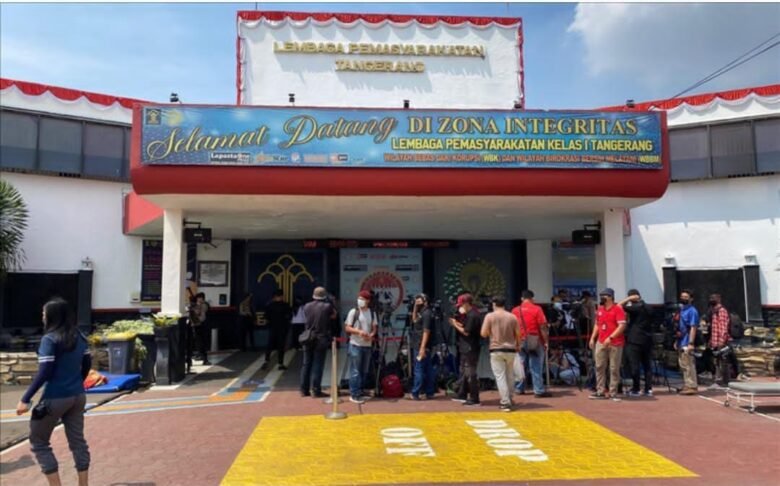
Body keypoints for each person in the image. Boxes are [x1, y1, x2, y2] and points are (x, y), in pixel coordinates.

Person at [16, 298, 91, 486]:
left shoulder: (49, 339)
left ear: (52, 316)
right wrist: (75, 382)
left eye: (44, 313)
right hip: (78, 396)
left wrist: (25, 398)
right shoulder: (80, 337)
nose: (42, 316)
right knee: (78, 442)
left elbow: (45, 372)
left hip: (54, 397)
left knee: (39, 442)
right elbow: (87, 365)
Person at [481, 296, 521, 412]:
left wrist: (491, 332)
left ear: (494, 304)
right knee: (510, 375)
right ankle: (510, 397)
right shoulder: (512, 316)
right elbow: (518, 334)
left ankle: (505, 401)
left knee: (500, 376)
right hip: (511, 349)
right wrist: (518, 345)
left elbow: (483, 333)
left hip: (496, 349)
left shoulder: (490, 316)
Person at [589, 288, 627, 401]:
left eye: (604, 295)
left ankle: (613, 392)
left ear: (610, 297)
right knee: (599, 366)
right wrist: (592, 338)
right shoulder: (600, 309)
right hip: (601, 341)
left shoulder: (618, 309)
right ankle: (600, 391)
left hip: (615, 343)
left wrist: (611, 337)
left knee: (614, 368)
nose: (602, 298)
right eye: (601, 295)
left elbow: (622, 326)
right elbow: (597, 324)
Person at [511, 290, 551, 398]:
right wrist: (546, 341)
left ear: (522, 298)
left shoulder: (515, 310)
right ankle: (538, 390)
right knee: (536, 365)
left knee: (521, 365)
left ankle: (519, 388)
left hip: (520, 340)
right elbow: (543, 327)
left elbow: (512, 327)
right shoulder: (537, 309)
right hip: (534, 340)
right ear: (532, 299)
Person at [300, 287, 337, 397]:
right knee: (318, 364)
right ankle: (316, 390)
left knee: (306, 364)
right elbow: (334, 315)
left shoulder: (307, 306)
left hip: (308, 337)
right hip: (321, 338)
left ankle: (304, 390)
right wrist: (332, 302)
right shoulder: (327, 306)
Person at [344, 290, 378, 404]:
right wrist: (359, 332)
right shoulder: (353, 312)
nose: (360, 300)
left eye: (362, 299)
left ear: (368, 301)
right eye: (359, 298)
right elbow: (347, 327)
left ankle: (360, 391)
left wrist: (371, 335)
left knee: (364, 370)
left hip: (367, 345)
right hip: (355, 344)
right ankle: (354, 394)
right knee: (355, 370)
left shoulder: (372, 313)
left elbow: (374, 328)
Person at [619, 289, 654, 397]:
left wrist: (628, 299)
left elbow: (618, 306)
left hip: (634, 339)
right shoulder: (649, 307)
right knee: (647, 365)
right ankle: (648, 388)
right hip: (647, 339)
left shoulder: (635, 307)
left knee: (634, 365)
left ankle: (636, 388)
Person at [449, 294, 482, 406]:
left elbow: (466, 332)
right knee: (464, 371)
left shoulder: (473, 315)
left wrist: (454, 324)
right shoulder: (469, 315)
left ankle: (474, 397)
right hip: (465, 346)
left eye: (462, 304)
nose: (460, 307)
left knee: (470, 373)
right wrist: (455, 322)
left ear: (467, 303)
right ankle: (462, 393)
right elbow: (465, 326)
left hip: (470, 347)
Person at [409, 293, 437, 401]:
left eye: (419, 300)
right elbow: (414, 320)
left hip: (421, 345)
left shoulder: (427, 314)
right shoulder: (422, 312)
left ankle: (415, 392)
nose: (417, 301)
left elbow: (426, 331)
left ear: (425, 301)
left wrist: (422, 347)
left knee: (419, 369)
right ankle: (429, 392)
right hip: (420, 344)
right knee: (427, 368)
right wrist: (415, 307)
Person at [676, 289, 700, 394]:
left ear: (691, 299)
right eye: (682, 297)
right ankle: (687, 384)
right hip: (680, 340)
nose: (683, 299)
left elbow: (693, 327)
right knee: (683, 364)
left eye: (686, 297)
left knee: (689, 364)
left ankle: (692, 385)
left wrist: (691, 343)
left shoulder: (692, 311)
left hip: (687, 341)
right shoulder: (681, 310)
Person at [707, 293, 733, 387]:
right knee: (717, 361)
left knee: (723, 362)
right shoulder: (714, 311)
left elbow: (723, 327)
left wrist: (721, 341)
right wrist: (711, 340)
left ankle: (725, 381)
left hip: (722, 341)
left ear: (719, 299)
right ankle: (719, 380)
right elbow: (714, 327)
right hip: (715, 340)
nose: (711, 300)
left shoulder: (721, 311)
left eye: (713, 298)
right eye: (710, 298)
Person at [264, 290, 292, 371]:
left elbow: (266, 318)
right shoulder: (285, 305)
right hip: (282, 329)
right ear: (281, 296)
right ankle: (280, 363)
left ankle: (266, 361)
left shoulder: (269, 305)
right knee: (281, 346)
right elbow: (289, 316)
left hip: (272, 328)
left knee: (269, 345)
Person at [189, 292, 211, 365]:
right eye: (198, 298)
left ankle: (204, 358)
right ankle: (196, 357)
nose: (199, 299)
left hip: (202, 326)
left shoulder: (204, 305)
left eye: (200, 298)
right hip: (195, 326)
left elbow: (201, 314)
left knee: (202, 343)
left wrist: (197, 306)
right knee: (195, 342)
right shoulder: (195, 306)